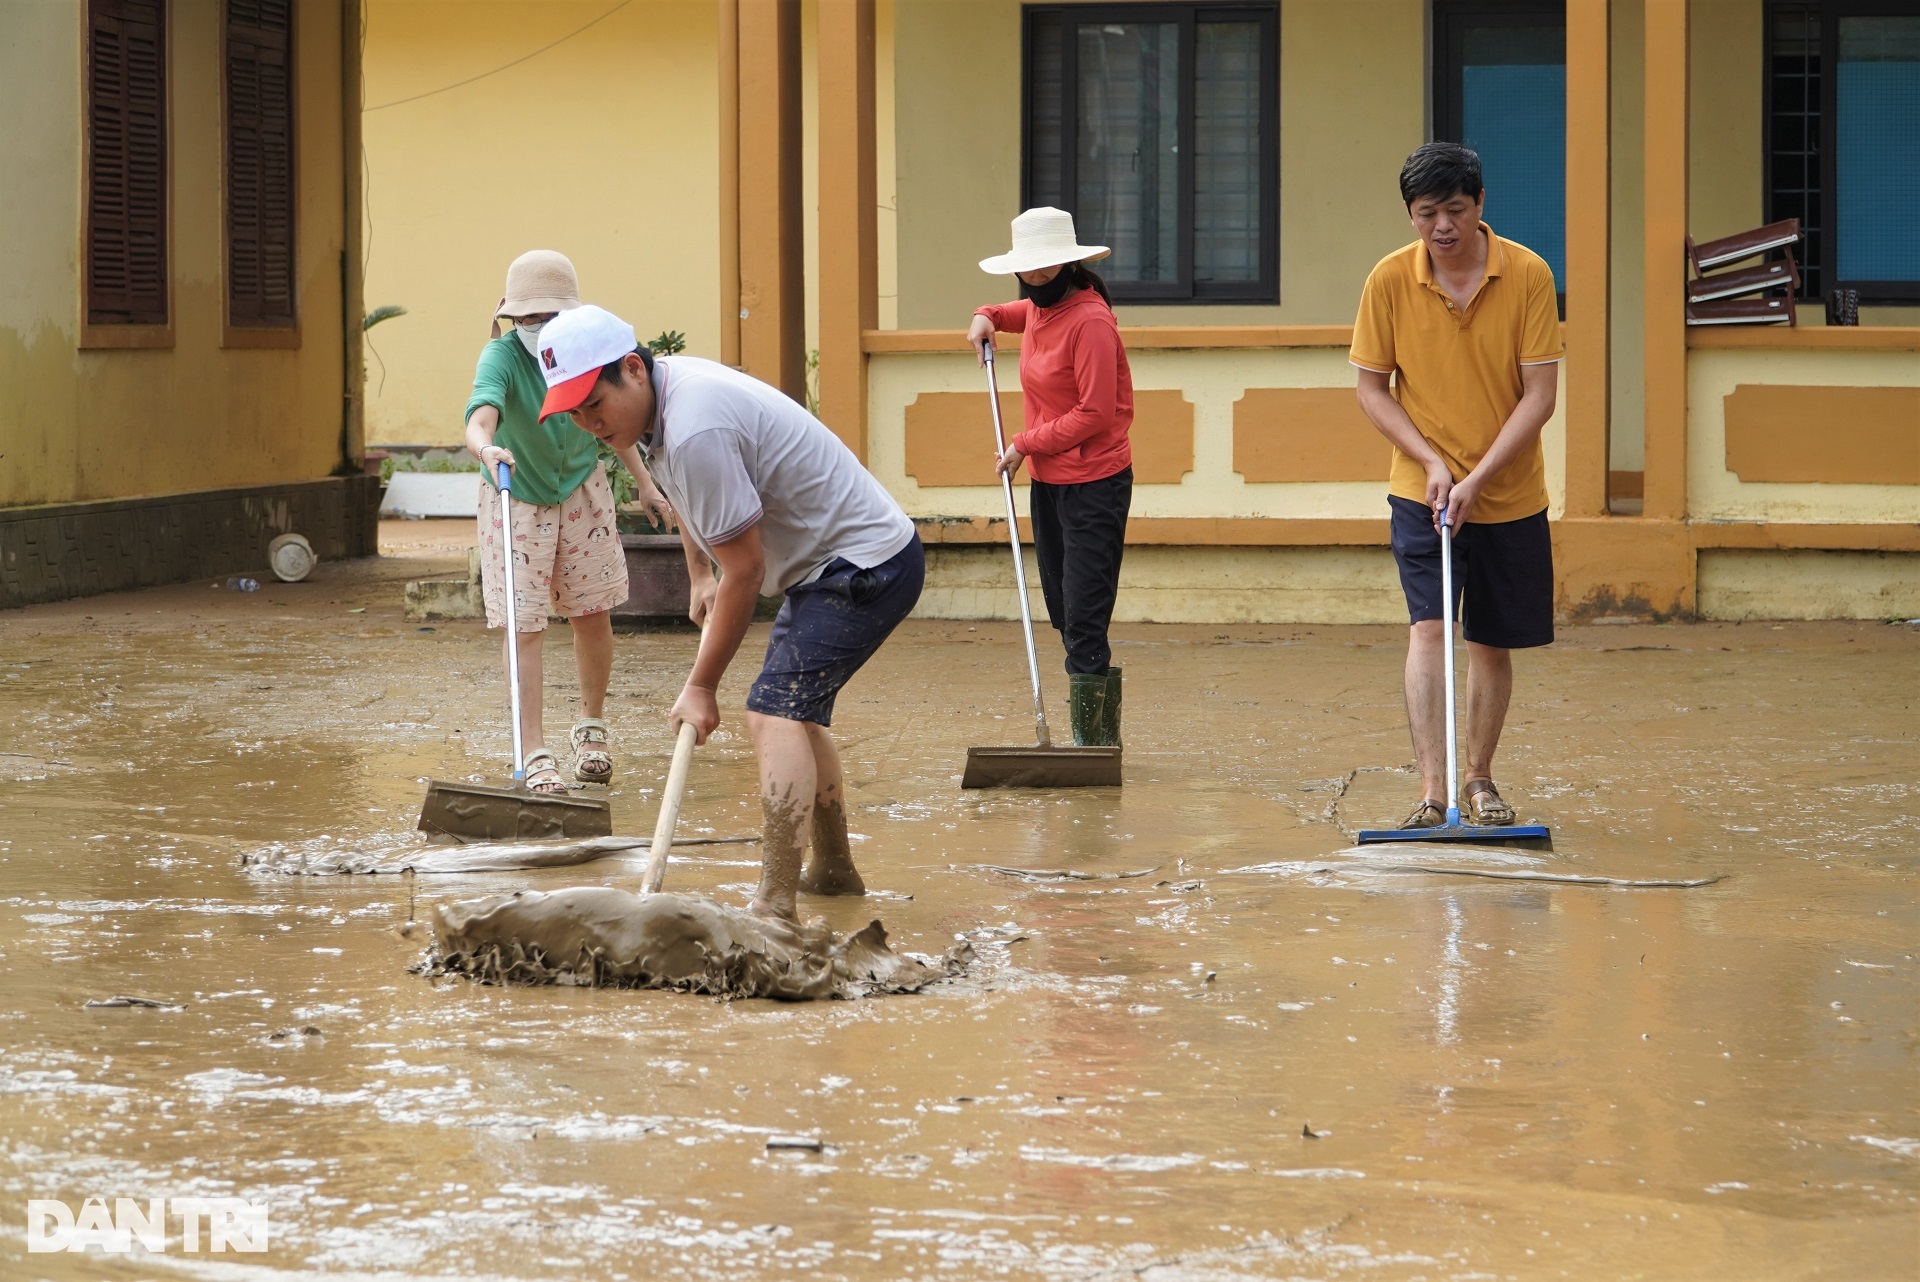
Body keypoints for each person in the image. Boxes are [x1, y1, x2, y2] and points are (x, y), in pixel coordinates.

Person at [534, 304, 924, 923]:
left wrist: (701, 686)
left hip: (862, 566)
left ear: (631, 369)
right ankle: (834, 871)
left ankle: (774, 907)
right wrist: (697, 573)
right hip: (826, 565)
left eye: (593, 404)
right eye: (574, 411)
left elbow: (745, 570)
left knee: (771, 712)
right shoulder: (657, 405)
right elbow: (694, 503)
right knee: (796, 713)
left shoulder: (693, 425)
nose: (588, 424)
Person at [1350, 143, 1562, 830]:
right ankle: (1431, 793)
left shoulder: (1528, 274)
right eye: (1426, 213)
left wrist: (1478, 476)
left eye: (1455, 210)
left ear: (1479, 206)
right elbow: (1372, 389)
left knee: (1490, 641)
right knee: (1429, 629)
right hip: (1424, 489)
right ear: (1411, 215)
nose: (1442, 226)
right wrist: (1434, 465)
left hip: (1509, 491)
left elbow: (1539, 397)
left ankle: (1481, 782)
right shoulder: (1387, 281)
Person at [464, 251, 671, 794]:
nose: (536, 329)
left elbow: (613, 422)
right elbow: (479, 415)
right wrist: (487, 450)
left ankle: (591, 725)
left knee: (592, 611)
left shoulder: (587, 352)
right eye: (526, 320)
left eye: (547, 319)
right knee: (525, 626)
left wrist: (646, 483)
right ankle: (533, 749)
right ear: (512, 321)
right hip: (518, 494)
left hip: (581, 491)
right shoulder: (502, 358)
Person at [966, 207, 1132, 748]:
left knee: (1084, 614)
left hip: (1095, 483)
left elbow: (1095, 413)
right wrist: (985, 314)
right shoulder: (1041, 307)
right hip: (1051, 482)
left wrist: (1022, 444)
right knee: (1063, 607)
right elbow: (1010, 313)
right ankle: (1098, 733)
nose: (1035, 279)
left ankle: (1094, 748)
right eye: (1027, 270)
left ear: (1068, 263)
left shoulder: (1090, 322)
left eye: (1045, 269)